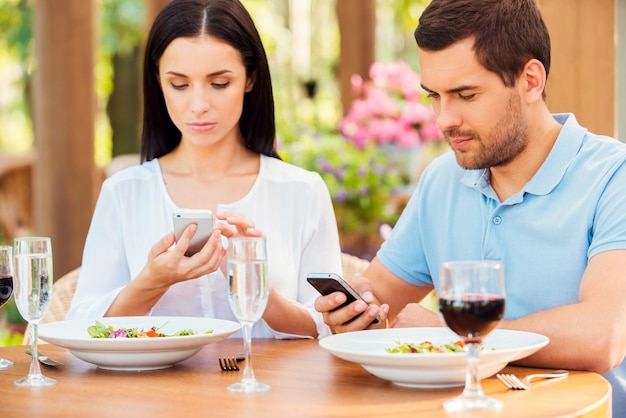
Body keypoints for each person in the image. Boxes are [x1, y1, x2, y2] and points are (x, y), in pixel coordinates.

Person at [314, 0, 626, 411]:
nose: (444, 119)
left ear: (530, 80)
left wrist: (454, 334)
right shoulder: (442, 179)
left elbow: (602, 336)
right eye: (434, 96)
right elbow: (380, 303)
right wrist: (351, 317)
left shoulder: (613, 175)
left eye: (465, 94)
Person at [67, 0, 342, 339]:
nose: (198, 106)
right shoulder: (124, 193)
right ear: (158, 82)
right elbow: (80, 328)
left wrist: (256, 287)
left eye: (219, 83)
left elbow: (329, 329)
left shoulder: (302, 191)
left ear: (250, 78)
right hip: (155, 391)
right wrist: (151, 282)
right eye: (179, 85)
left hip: (274, 390)